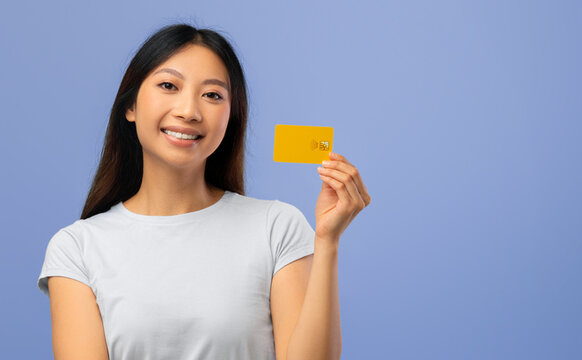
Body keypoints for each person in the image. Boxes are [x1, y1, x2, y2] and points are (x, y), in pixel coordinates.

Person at [36, 23, 370, 360]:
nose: (189, 111)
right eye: (168, 85)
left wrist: (327, 241)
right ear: (131, 107)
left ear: (231, 117)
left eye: (212, 95)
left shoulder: (276, 227)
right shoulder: (76, 248)